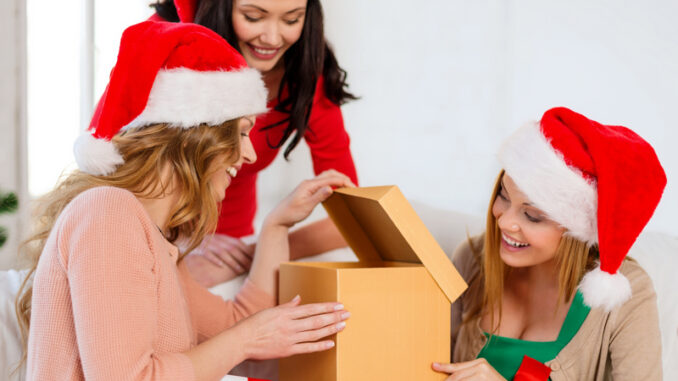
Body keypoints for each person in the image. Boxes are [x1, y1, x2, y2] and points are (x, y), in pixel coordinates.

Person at [15, 21, 353, 380]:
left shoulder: (157, 241)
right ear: (194, 137)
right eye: (240, 133)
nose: (250, 154)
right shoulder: (108, 214)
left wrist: (277, 226)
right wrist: (245, 339)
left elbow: (240, 329)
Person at [432, 107, 666, 380]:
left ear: (577, 232)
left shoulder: (628, 295)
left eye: (532, 216)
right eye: (504, 196)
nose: (505, 222)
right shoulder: (472, 258)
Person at [138, 0, 359, 287]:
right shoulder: (163, 38)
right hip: (144, 241)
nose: (272, 38)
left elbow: (354, 219)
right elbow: (108, 171)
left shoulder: (304, 77)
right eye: (253, 17)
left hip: (228, 252)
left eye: (291, 20)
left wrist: (255, 251)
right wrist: (182, 245)